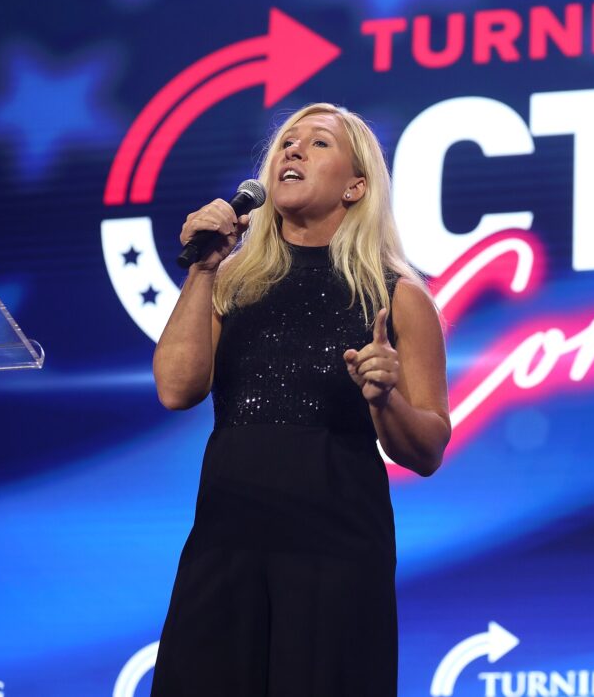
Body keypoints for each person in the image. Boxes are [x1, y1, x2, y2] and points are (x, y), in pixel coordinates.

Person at [149, 102, 450, 696]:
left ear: (356, 185)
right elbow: (175, 388)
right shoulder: (231, 281)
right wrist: (204, 268)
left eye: (318, 144)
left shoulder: (397, 295)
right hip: (225, 542)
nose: (293, 150)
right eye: (288, 141)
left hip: (334, 555)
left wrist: (384, 398)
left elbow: (429, 448)